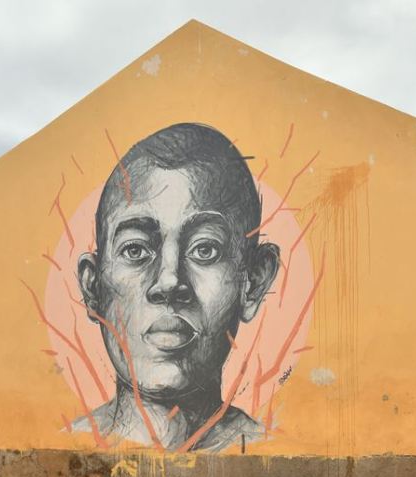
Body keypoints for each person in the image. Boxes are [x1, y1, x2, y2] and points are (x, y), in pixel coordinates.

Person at [72, 123, 279, 452]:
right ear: (92, 287)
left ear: (253, 281)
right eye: (135, 250)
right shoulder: (66, 447)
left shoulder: (270, 452)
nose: (169, 282)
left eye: (205, 249)